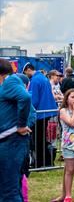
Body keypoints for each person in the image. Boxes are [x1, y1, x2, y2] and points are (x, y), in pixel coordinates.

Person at [0, 59, 34, 202]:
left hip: (12, 142)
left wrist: (20, 125)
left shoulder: (10, 81)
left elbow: (25, 98)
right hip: (8, 142)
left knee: (9, 192)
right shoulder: (8, 83)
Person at [22, 63, 57, 169]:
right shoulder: (42, 78)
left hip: (39, 114)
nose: (25, 75)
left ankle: (40, 162)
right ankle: (46, 161)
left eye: (25, 73)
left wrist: (28, 111)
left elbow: (34, 100)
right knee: (42, 139)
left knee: (38, 140)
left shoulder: (35, 80)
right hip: (46, 112)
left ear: (28, 70)